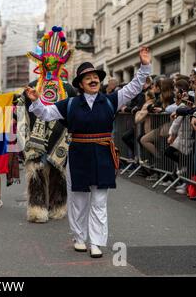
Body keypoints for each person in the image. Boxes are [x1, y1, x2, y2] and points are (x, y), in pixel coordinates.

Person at [25, 47, 151, 258]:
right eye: (88, 78)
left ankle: (97, 243)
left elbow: (134, 87)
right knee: (78, 200)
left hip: (103, 156)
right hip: (78, 156)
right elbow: (46, 113)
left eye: (95, 77)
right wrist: (36, 100)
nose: (93, 80)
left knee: (100, 201)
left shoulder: (111, 100)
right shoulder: (71, 103)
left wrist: (145, 66)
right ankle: (79, 238)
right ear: (81, 84)